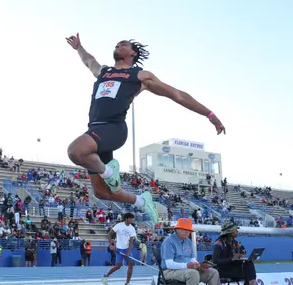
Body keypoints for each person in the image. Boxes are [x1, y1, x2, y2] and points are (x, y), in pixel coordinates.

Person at [66, 34, 226, 224]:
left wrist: (209, 115)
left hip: (114, 129)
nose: (118, 44)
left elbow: (177, 95)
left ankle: (109, 172)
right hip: (96, 130)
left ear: (132, 53)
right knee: (102, 193)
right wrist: (79, 48)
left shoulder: (139, 76)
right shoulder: (104, 72)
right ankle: (142, 200)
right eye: (117, 43)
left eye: (123, 44)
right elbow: (88, 61)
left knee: (75, 152)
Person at [161, 218, 220, 285]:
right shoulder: (169, 241)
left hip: (187, 270)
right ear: (176, 229)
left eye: (188, 230)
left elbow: (192, 259)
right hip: (170, 271)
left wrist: (199, 266)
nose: (187, 232)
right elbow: (169, 264)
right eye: (184, 229)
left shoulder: (188, 241)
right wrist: (187, 266)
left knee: (213, 272)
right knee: (193, 273)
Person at [102, 213, 137, 285]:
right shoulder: (119, 225)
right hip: (119, 249)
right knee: (118, 266)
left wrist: (128, 252)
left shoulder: (132, 228)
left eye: (132, 219)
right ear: (126, 218)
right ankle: (106, 276)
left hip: (127, 249)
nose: (132, 220)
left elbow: (131, 241)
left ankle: (127, 282)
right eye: (130, 218)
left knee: (131, 264)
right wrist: (111, 245)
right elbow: (109, 234)